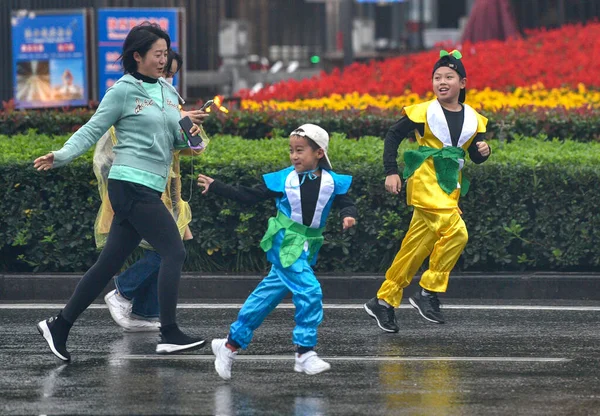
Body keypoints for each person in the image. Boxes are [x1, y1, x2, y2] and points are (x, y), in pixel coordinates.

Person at [34, 23, 205, 362]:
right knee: (174, 251)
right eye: (157, 54)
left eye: (166, 53)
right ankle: (169, 332)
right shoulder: (122, 91)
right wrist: (62, 155)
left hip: (149, 187)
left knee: (106, 265)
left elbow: (175, 141)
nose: (163, 59)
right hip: (129, 184)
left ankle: (59, 326)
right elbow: (92, 128)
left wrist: (192, 139)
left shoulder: (169, 94)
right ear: (137, 56)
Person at [197, 124, 357, 380]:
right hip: (285, 242)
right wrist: (217, 186)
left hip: (307, 245)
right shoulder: (284, 179)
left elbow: (346, 201)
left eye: (300, 150)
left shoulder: (331, 181)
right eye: (292, 150)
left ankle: (229, 345)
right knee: (310, 290)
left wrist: (349, 215)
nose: (294, 156)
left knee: (266, 296)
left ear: (319, 153)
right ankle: (305, 352)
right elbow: (248, 196)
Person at [364, 50, 491, 333]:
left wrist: (484, 150)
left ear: (463, 82)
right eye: (437, 78)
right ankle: (428, 291)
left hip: (449, 187)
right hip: (425, 181)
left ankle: (383, 300)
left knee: (415, 247)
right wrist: (391, 171)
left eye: (448, 77)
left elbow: (476, 154)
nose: (441, 82)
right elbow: (393, 135)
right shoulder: (424, 112)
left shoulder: (474, 118)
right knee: (458, 233)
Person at [95, 49, 210, 332]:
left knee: (169, 249)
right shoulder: (129, 96)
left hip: (168, 186)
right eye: (164, 68)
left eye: (171, 72)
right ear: (141, 59)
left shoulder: (168, 100)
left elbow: (194, 147)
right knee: (170, 249)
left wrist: (187, 126)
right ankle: (124, 291)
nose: (166, 76)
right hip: (139, 186)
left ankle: (145, 311)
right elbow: (113, 142)